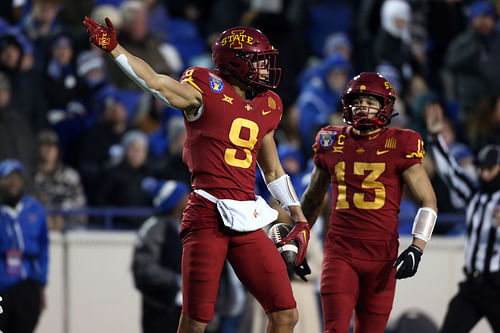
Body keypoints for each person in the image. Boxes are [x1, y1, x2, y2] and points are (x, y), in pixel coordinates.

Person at [83, 16, 311, 333]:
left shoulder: (268, 104)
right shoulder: (205, 89)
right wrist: (115, 48)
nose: (264, 69)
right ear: (236, 63)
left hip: (246, 216)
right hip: (207, 214)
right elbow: (155, 81)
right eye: (258, 61)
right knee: (195, 322)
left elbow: (272, 169)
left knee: (286, 313)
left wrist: (298, 216)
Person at [300, 72, 438, 332]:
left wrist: (417, 247)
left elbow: (428, 200)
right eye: (358, 100)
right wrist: (301, 236)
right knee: (335, 329)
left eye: (371, 101)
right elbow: (313, 197)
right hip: (341, 252)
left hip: (382, 258)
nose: (363, 106)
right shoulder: (331, 140)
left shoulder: (401, 143)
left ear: (384, 107)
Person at [424, 106, 500, 333]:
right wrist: (436, 137)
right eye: (481, 168)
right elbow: (451, 173)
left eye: (490, 169)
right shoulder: (475, 194)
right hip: (472, 286)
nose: (484, 174)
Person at [132, 179, 190, 333]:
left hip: (182, 308)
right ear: (174, 201)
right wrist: (176, 280)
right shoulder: (154, 227)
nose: (189, 198)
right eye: (184, 195)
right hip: (160, 308)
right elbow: (144, 269)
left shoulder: (186, 225)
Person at [0, 159, 49, 333]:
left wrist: (42, 283)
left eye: (17, 177)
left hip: (29, 280)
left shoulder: (34, 208)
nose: (13, 182)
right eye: (7, 177)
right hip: (2, 282)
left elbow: (44, 247)